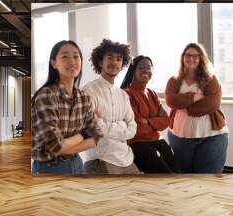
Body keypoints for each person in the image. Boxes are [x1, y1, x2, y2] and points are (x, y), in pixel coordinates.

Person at [31, 40, 101, 174]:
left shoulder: (84, 97)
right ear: (53, 63)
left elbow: (96, 137)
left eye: (76, 56)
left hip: (77, 163)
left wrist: (67, 149)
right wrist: (82, 136)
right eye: (65, 56)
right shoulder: (47, 95)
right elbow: (55, 146)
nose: (72, 61)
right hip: (49, 168)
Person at [165, 43, 229, 174]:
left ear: (201, 59)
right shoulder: (174, 80)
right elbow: (171, 100)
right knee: (184, 178)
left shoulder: (210, 79)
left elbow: (213, 103)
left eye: (196, 56)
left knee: (208, 180)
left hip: (212, 138)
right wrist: (194, 97)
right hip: (180, 137)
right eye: (188, 55)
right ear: (183, 57)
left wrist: (186, 107)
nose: (191, 59)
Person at [82, 39, 141, 174]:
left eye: (119, 59)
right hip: (102, 159)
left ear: (122, 64)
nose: (114, 62)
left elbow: (132, 129)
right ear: (100, 61)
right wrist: (121, 126)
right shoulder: (89, 91)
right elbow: (94, 128)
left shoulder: (123, 95)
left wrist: (105, 126)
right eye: (110, 58)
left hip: (126, 158)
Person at [121, 55, 179, 173]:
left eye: (149, 67)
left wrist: (147, 121)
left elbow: (166, 121)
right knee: (166, 176)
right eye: (141, 67)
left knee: (178, 173)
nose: (146, 70)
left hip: (157, 141)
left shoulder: (152, 93)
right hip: (137, 144)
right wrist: (155, 121)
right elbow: (137, 127)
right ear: (134, 70)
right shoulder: (126, 93)